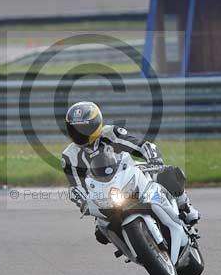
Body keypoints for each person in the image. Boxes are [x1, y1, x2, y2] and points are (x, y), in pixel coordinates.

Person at [61, 101, 200, 245]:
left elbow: (140, 146)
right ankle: (134, 248)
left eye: (84, 128)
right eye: (74, 129)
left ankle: (186, 207)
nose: (79, 133)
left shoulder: (110, 134)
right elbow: (76, 187)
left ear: (96, 124)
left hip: (128, 175)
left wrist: (154, 159)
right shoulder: (69, 156)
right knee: (101, 234)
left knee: (169, 174)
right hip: (104, 196)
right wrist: (84, 203)